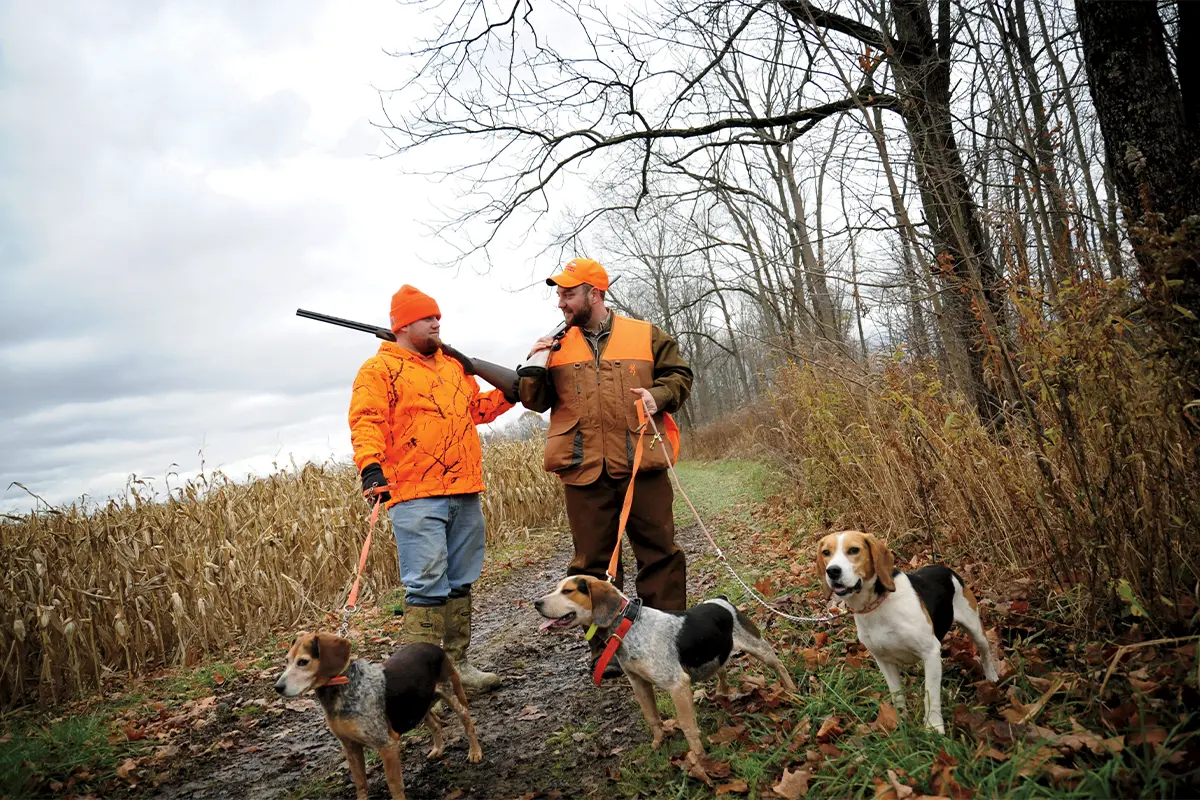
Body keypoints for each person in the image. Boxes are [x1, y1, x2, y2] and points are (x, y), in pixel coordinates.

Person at [519, 258, 693, 679]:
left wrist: (657, 395)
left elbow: (680, 375)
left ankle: (665, 642)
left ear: (594, 294)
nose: (561, 302)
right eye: (559, 294)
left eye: (568, 293)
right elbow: (533, 401)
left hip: (641, 464)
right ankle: (607, 649)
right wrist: (535, 363)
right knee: (590, 567)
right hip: (582, 469)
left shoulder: (646, 334)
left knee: (660, 556)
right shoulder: (554, 344)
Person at [349, 284, 515, 691]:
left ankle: (457, 668)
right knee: (426, 584)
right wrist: (371, 468)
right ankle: (420, 682)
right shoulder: (379, 370)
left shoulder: (453, 367)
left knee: (460, 581)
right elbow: (366, 420)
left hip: (465, 489)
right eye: (427, 317)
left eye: (438, 316)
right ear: (403, 326)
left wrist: (516, 390)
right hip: (414, 494)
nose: (437, 322)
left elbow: (477, 409)